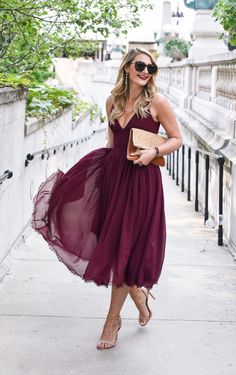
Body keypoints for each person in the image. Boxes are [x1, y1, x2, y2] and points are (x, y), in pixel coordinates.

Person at [32, 48, 183, 350]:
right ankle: (139, 296)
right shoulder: (112, 101)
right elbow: (112, 141)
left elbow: (177, 138)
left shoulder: (158, 103)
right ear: (127, 67)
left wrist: (154, 151)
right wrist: (96, 182)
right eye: (140, 66)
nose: (145, 72)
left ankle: (111, 322)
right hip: (114, 178)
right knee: (113, 246)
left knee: (126, 247)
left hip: (141, 183)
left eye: (151, 69)